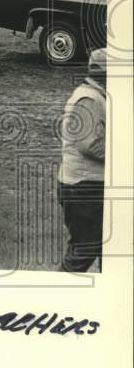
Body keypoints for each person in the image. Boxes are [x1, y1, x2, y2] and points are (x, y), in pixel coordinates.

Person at [57, 49, 107, 272]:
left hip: (91, 186)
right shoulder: (88, 99)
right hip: (83, 188)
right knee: (85, 249)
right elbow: (89, 144)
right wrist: (125, 157)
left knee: (111, 248)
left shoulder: (99, 96)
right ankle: (54, 300)